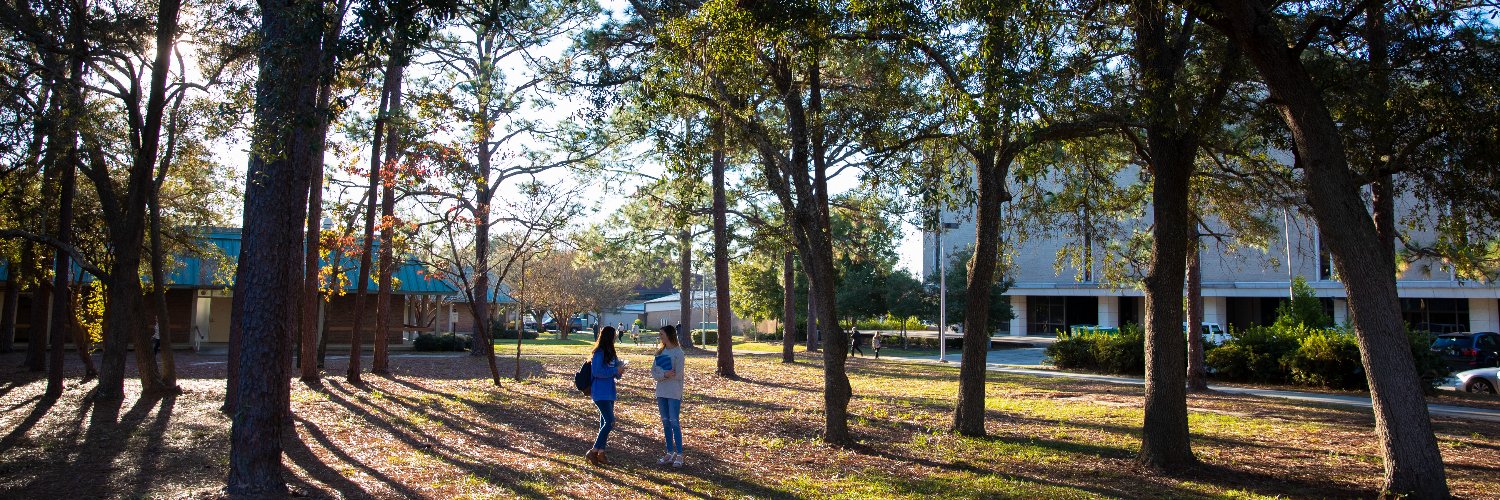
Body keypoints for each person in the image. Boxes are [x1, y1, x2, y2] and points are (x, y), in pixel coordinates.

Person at [586, 326, 625, 466]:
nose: (615, 337)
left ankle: (601, 453)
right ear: (609, 336)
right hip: (599, 392)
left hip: (610, 391)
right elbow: (597, 372)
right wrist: (614, 369)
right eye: (614, 335)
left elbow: (616, 375)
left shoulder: (611, 353)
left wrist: (620, 370)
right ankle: (593, 450)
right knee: (610, 422)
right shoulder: (599, 352)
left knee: (604, 423)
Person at [651, 325, 686, 467]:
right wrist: (664, 375)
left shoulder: (679, 353)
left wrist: (667, 375)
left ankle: (680, 454)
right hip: (661, 392)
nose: (661, 337)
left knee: (674, 422)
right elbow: (653, 372)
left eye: (662, 334)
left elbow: (678, 374)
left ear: (670, 335)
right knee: (665, 422)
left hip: (674, 392)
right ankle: (669, 452)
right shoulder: (660, 352)